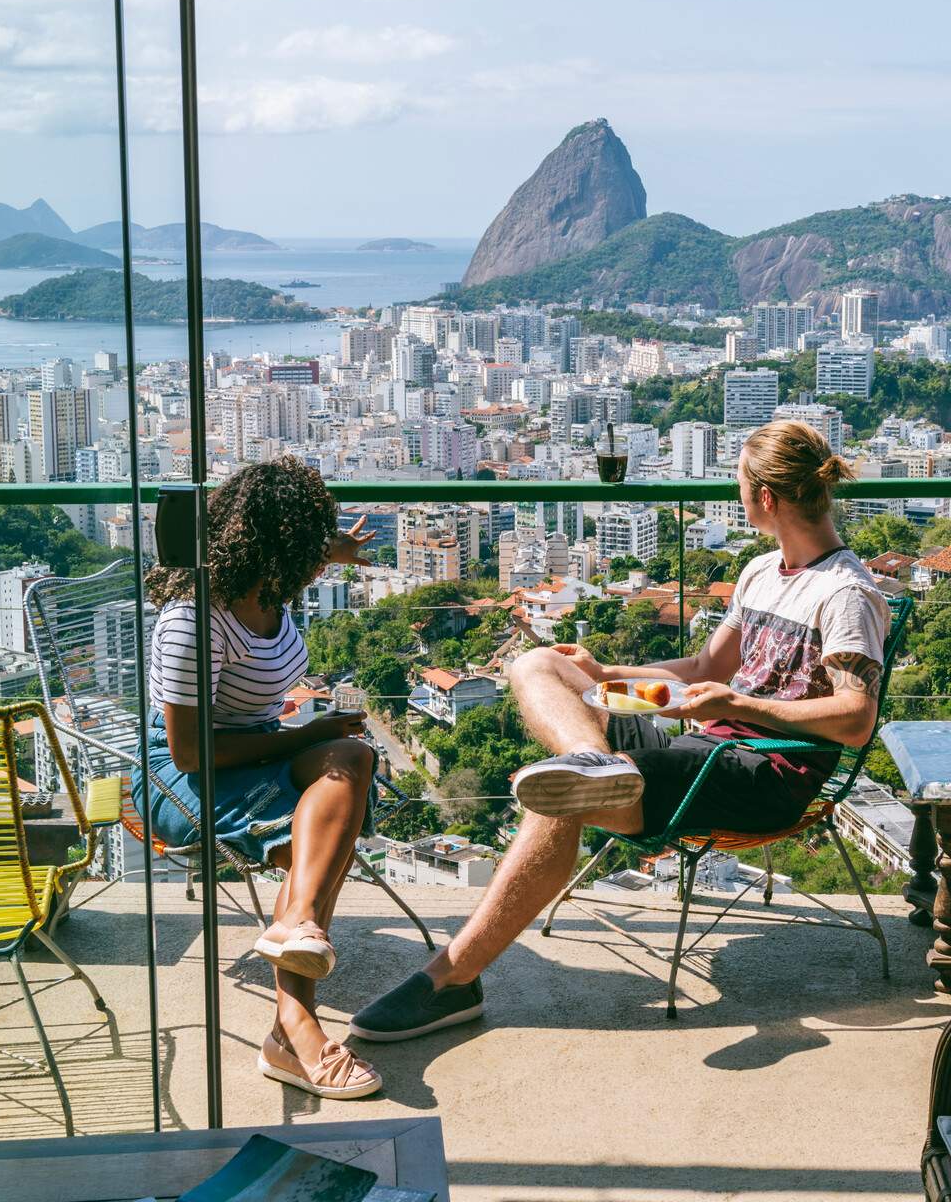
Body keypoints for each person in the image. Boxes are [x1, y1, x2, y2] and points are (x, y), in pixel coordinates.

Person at [350, 419, 890, 1042]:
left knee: (562, 798)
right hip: (704, 746)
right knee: (538, 663)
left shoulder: (845, 594)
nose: (737, 498)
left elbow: (854, 718)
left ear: (765, 498)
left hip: (761, 770)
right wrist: (605, 673)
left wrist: (743, 707)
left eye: (740, 486)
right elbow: (703, 670)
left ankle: (450, 980)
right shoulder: (761, 572)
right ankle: (592, 760)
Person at [143, 457, 385, 1099]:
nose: (318, 560)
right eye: (308, 543)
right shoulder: (197, 619)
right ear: (275, 546)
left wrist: (329, 550)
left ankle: (296, 922)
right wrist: (309, 734)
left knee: (354, 760)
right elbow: (189, 753)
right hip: (183, 775)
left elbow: (296, 551)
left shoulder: (268, 584)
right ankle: (295, 1028)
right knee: (309, 846)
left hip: (257, 748)